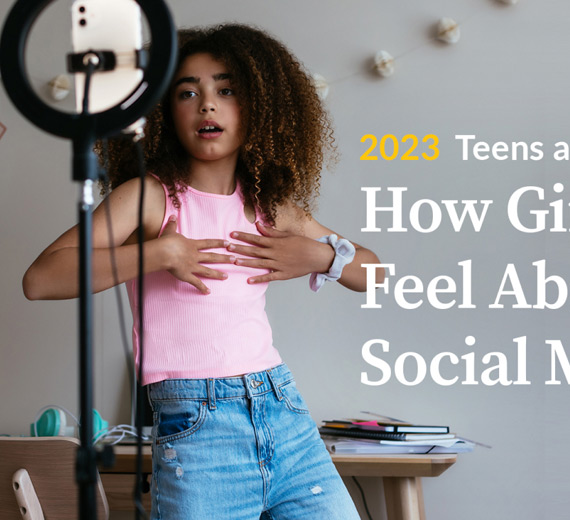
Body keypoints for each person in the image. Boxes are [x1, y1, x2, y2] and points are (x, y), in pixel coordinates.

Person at [22, 24, 380, 519]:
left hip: (284, 414)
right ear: (165, 113)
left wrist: (322, 257)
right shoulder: (149, 196)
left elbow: (377, 276)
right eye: (187, 92)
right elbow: (41, 279)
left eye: (226, 90)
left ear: (259, 108)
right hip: (196, 430)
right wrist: (160, 253)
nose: (206, 104)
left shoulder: (270, 207)